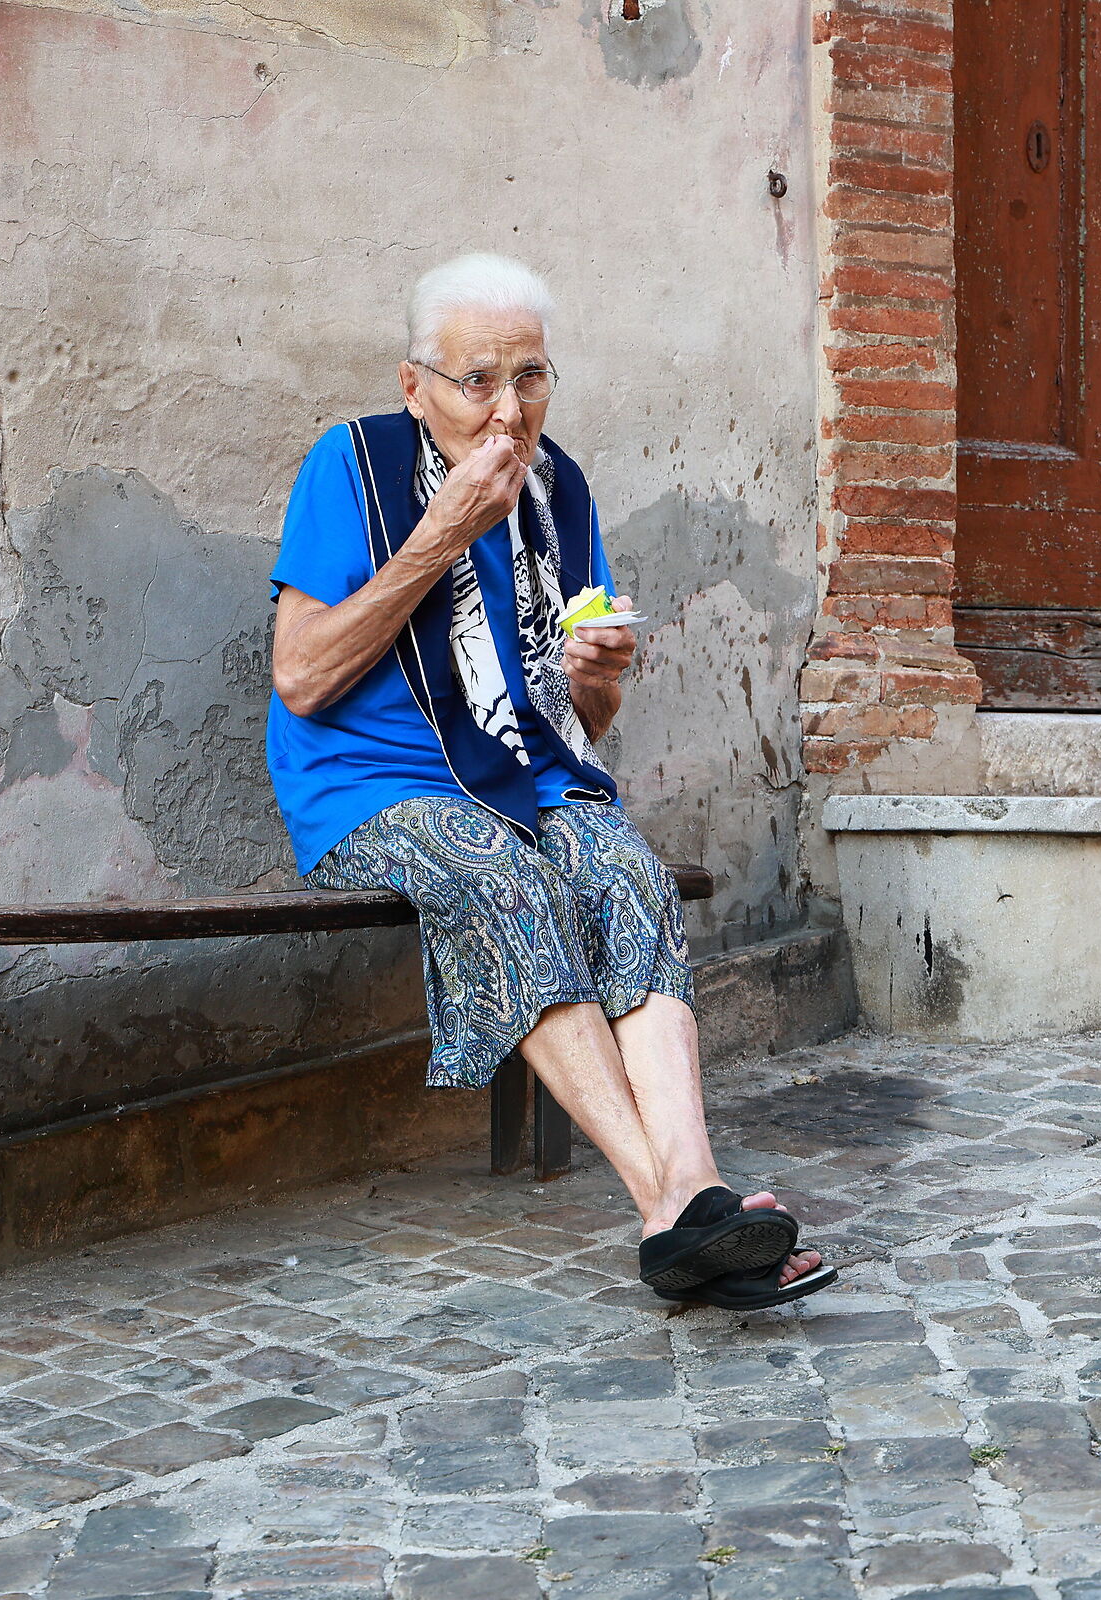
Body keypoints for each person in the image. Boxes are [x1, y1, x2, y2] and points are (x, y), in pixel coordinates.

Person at [266, 253, 832, 1310]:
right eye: (477, 379)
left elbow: (582, 722)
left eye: (530, 376)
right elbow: (301, 677)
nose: (507, 408)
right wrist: (445, 533)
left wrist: (595, 680)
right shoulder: (349, 470)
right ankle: (668, 1208)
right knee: (503, 878)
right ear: (413, 385)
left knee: (624, 870)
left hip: (526, 771)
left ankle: (699, 1187)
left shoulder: (558, 486)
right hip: (372, 781)